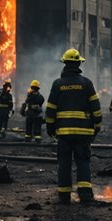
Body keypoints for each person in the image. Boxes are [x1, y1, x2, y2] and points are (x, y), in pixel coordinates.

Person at [45, 48, 102, 204]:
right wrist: (97, 126)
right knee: (83, 161)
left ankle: (64, 196)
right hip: (84, 132)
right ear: (78, 64)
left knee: (64, 162)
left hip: (63, 132)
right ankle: (85, 195)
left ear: (64, 64)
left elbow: (50, 109)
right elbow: (96, 109)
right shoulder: (87, 83)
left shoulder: (58, 84)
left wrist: (50, 127)